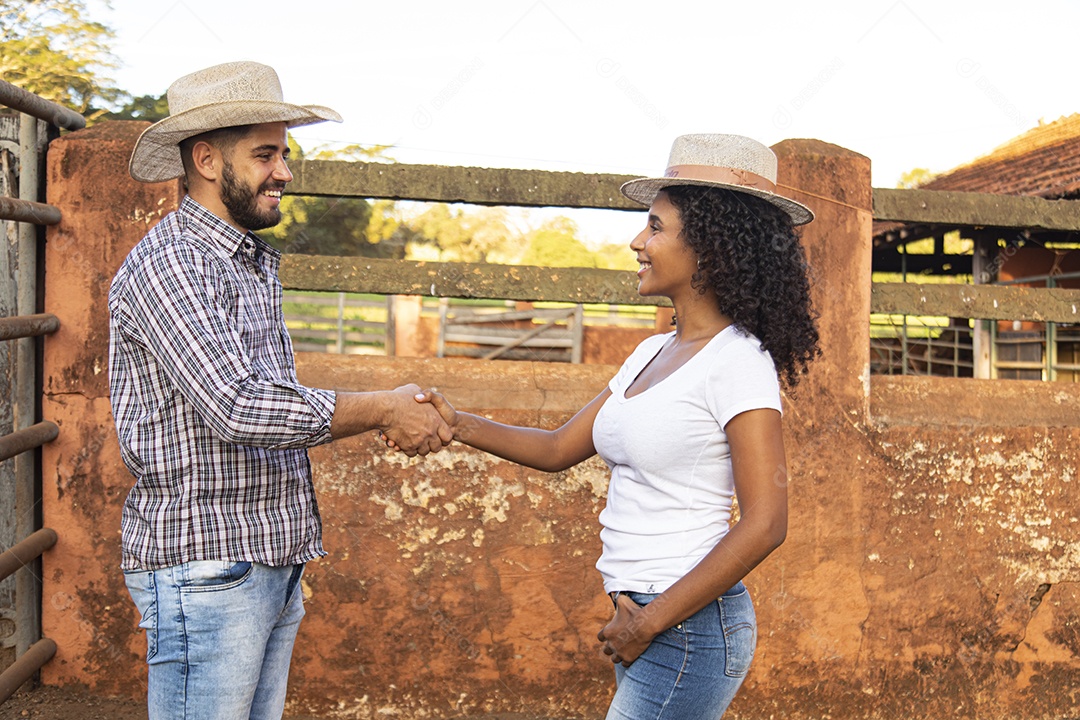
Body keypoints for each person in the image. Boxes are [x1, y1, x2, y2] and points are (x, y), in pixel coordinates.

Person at [406, 134, 821, 718]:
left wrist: (651, 621)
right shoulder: (650, 353)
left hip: (687, 627)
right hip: (648, 619)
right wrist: (458, 423)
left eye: (655, 227)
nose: (637, 242)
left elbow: (766, 522)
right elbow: (556, 448)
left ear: (709, 245)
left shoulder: (737, 362)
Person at [108, 61, 451, 719]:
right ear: (207, 160)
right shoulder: (175, 264)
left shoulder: (238, 263)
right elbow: (238, 406)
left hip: (258, 558)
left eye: (284, 154)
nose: (285, 172)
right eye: (265, 154)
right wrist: (383, 406)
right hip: (210, 565)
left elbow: (260, 398)